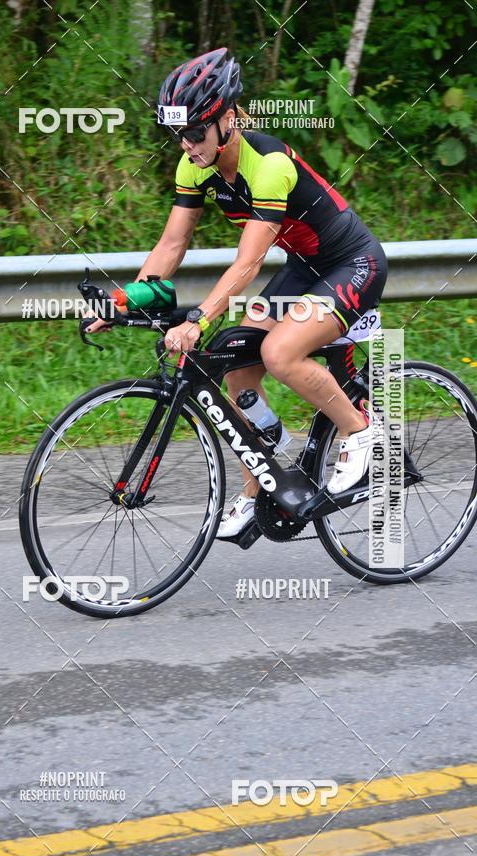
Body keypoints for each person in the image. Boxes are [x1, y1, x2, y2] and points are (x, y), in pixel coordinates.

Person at [88, 47, 388, 539]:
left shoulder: (268, 165)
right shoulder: (195, 165)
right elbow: (172, 244)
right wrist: (126, 301)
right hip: (306, 268)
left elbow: (248, 262)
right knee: (237, 361)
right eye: (177, 134)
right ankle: (261, 483)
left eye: (195, 132)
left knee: (279, 352)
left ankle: (360, 432)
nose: (186, 145)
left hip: (353, 263)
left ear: (227, 118)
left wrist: (198, 318)